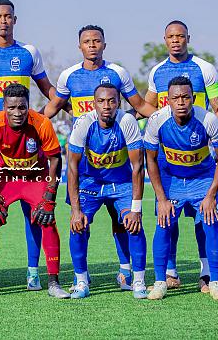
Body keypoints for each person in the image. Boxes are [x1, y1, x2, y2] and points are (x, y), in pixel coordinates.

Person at [44, 24, 156, 290]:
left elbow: (140, 105)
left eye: (97, 41)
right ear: (79, 46)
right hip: (87, 172)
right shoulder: (69, 76)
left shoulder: (118, 73)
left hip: (118, 170)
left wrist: (166, 118)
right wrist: (30, 124)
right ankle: (81, 277)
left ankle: (127, 273)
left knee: (124, 222)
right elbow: (53, 107)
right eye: (87, 41)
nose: (92, 45)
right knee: (79, 223)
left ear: (104, 44)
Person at [0, 0, 60, 290]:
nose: (3, 21)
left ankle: (33, 271)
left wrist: (44, 116)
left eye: (8, 16)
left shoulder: (29, 52)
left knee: (36, 213)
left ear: (15, 19)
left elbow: (49, 90)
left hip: (26, 147)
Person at [144, 20, 218, 292]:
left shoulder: (205, 69)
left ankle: (208, 274)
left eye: (180, 36)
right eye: (171, 36)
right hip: (168, 161)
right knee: (167, 219)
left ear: (188, 38)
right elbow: (146, 107)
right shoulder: (157, 72)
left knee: (205, 221)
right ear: (164, 39)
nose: (176, 40)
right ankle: (169, 272)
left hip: (200, 155)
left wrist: (216, 142)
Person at [0, 84, 69, 299]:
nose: (17, 112)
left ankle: (54, 282)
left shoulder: (42, 123)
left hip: (35, 177)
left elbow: (55, 159)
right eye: (11, 107)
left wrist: (50, 196)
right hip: (5, 176)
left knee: (47, 219)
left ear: (28, 106)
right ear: (4, 107)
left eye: (22, 107)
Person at [67, 83, 147, 299]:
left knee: (133, 224)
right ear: (94, 104)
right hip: (91, 183)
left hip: (121, 183)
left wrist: (136, 209)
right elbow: (72, 167)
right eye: (101, 101)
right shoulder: (84, 123)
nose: (106, 106)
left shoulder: (127, 121)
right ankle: (81, 280)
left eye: (112, 101)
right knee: (78, 225)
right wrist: (75, 210)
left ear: (118, 103)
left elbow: (138, 166)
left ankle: (138, 280)